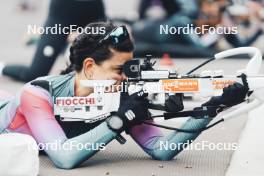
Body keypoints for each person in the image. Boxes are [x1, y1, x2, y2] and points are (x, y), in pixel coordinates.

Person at [0, 22, 248, 169]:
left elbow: (161, 149)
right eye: (119, 69)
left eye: (129, 68)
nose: (126, 77)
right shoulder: (37, 93)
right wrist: (119, 121)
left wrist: (213, 106)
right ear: (89, 67)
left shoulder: (120, 94)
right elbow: (64, 157)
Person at [0, 0, 105, 82]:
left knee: (106, 69)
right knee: (35, 74)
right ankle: (2, 67)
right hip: (63, 11)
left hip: (94, 10)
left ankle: (56, 41)